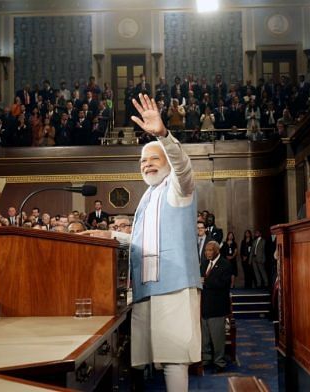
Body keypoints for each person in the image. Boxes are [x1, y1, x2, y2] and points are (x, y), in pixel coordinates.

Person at [128, 93, 202, 391]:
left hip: (174, 286)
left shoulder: (177, 188)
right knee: (148, 360)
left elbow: (183, 167)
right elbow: (142, 240)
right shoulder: (147, 196)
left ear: (166, 163)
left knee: (174, 359)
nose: (147, 165)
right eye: (143, 161)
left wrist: (163, 135)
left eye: (153, 159)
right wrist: (106, 235)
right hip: (146, 288)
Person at [199, 241, 232, 373]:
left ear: (216, 251)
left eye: (210, 250)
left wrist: (206, 281)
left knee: (217, 337)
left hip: (217, 307)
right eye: (206, 250)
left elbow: (223, 284)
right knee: (205, 336)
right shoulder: (205, 263)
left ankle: (219, 362)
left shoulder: (225, 264)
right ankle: (206, 359)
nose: (207, 253)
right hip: (204, 305)